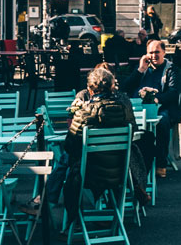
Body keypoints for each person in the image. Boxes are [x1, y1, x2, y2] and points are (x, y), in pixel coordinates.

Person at [28, 68, 148, 214]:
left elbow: (70, 145)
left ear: (90, 89)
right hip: (120, 169)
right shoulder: (125, 107)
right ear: (112, 87)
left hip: (90, 172)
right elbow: (133, 130)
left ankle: (56, 208)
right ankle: (112, 214)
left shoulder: (84, 113)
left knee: (66, 159)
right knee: (70, 159)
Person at [123, 39, 180, 173]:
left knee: (162, 122)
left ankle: (161, 163)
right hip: (138, 108)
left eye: (157, 52)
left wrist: (156, 99)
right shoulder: (142, 68)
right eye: (150, 52)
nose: (154, 55)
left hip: (162, 107)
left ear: (164, 52)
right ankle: (134, 163)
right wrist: (140, 69)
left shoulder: (171, 70)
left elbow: (173, 92)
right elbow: (126, 87)